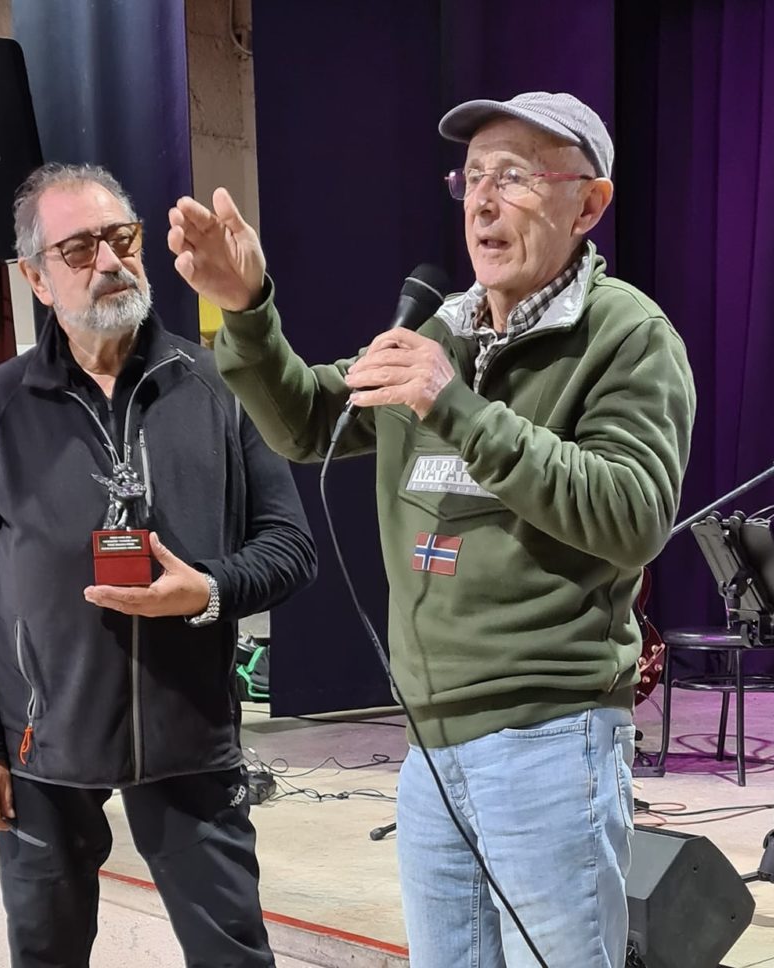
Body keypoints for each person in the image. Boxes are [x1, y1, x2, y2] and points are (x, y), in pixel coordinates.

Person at [167, 92, 696, 966]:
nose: (483, 202)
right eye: (472, 178)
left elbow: (632, 516)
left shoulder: (626, 337)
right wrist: (247, 307)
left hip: (549, 738)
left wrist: (455, 407)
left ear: (588, 204)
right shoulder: (439, 325)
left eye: (515, 177)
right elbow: (305, 420)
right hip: (428, 750)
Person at [0, 162, 316, 968]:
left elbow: (290, 547)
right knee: (48, 954)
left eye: (120, 238)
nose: (108, 261)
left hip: (190, 733)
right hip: (43, 746)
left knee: (235, 956)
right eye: (77, 249)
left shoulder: (220, 388)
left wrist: (207, 592)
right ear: (36, 276)